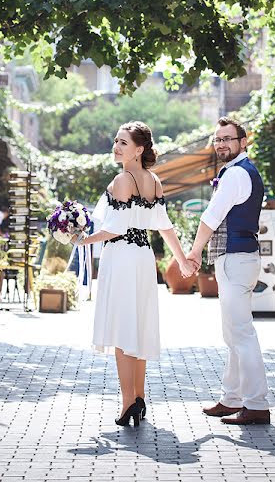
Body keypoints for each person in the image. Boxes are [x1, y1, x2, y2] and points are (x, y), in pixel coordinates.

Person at [72, 121, 193, 427]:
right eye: (116, 141)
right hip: (142, 258)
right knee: (136, 328)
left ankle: (128, 404)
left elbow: (113, 229)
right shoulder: (154, 180)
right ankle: (138, 398)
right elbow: (164, 227)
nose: (116, 146)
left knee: (124, 331)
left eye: (123, 142)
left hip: (123, 257)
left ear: (139, 149)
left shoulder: (123, 179)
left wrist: (82, 240)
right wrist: (182, 260)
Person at [184, 116, 271, 425]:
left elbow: (211, 216)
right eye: (217, 139)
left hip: (235, 259)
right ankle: (231, 398)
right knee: (233, 332)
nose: (221, 143)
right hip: (239, 259)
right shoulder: (241, 171)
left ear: (242, 142)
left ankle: (257, 404)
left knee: (241, 333)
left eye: (227, 138)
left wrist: (193, 253)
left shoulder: (235, 175)